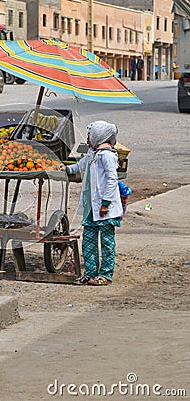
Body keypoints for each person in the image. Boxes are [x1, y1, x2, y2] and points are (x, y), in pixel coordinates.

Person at [59, 121, 123, 285]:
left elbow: (111, 179)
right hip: (91, 208)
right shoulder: (92, 153)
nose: (87, 140)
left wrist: (106, 203)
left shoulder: (107, 156)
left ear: (98, 137)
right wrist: (67, 169)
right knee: (88, 241)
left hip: (104, 209)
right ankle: (90, 273)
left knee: (107, 243)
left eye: (89, 136)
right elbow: (81, 165)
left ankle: (105, 275)